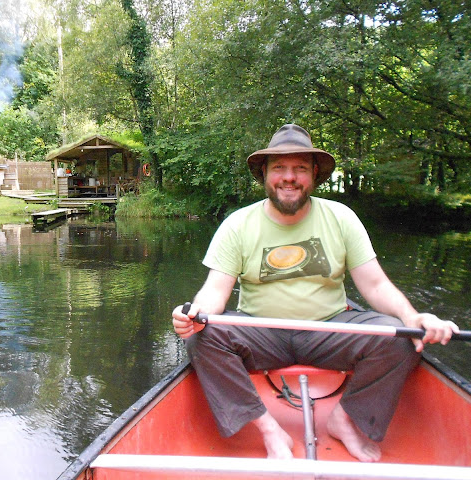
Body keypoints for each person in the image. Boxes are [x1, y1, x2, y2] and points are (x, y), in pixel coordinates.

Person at [172, 124, 460, 463]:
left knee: (402, 338)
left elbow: (375, 285)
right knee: (203, 338)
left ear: (314, 175)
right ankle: (267, 428)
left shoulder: (341, 218)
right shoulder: (238, 224)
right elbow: (214, 294)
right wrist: (192, 315)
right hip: (261, 332)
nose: (289, 177)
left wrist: (415, 318)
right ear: (264, 174)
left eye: (300, 169)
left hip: (331, 329)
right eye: (279, 168)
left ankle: (345, 417)